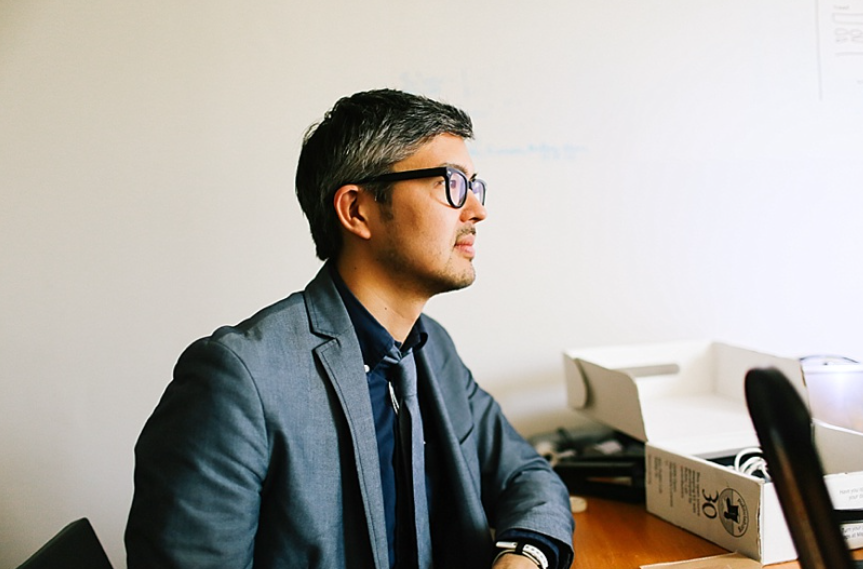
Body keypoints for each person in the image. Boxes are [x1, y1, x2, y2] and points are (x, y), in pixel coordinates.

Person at [125, 89, 575, 569]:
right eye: (451, 184)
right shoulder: (238, 380)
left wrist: (524, 556)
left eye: (474, 186)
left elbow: (526, 474)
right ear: (357, 210)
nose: (476, 210)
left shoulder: (431, 348)